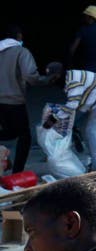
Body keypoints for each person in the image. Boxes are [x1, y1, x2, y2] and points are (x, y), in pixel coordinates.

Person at [44, 62, 96, 171]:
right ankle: (95, 159)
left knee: (91, 130)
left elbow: (71, 106)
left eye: (53, 77)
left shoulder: (73, 82)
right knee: (85, 129)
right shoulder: (68, 77)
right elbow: (73, 105)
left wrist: (50, 122)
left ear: (59, 75)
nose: (51, 81)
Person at [0, 25, 51, 173]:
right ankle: (17, 172)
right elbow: (30, 76)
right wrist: (46, 80)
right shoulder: (21, 52)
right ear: (19, 36)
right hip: (13, 101)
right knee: (24, 136)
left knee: (10, 131)